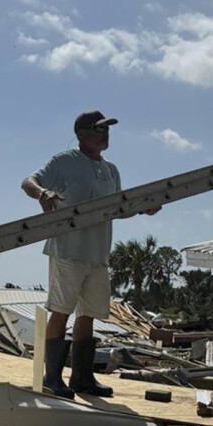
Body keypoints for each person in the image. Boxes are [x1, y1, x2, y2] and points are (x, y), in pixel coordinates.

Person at [22, 111, 158, 398]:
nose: (105, 135)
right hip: (68, 249)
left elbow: (117, 209)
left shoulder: (111, 170)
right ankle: (52, 378)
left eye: (107, 130)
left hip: (98, 253)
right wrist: (43, 194)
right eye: (99, 129)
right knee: (61, 311)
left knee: (88, 315)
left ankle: (82, 379)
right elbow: (29, 181)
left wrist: (142, 208)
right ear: (82, 133)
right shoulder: (65, 161)